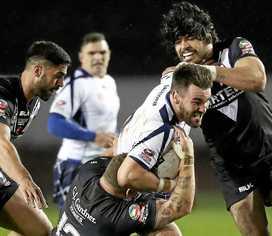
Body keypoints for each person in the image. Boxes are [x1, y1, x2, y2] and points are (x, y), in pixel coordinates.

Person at [160, 2, 272, 236]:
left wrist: (211, 73)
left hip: (270, 152)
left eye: (189, 37)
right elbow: (180, 119)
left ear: (206, 34)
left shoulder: (233, 49)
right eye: (178, 41)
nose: (183, 47)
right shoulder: (183, 77)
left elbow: (257, 78)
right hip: (232, 168)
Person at [114, 63, 213, 235]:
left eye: (206, 101)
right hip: (120, 194)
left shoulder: (171, 83)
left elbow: (169, 72)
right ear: (176, 97)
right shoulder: (161, 129)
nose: (203, 109)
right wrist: (171, 185)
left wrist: (187, 67)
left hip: (125, 166)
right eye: (197, 102)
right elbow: (127, 176)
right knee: (177, 211)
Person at [53, 126, 195, 236]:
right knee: (168, 233)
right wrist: (188, 157)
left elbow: (114, 155)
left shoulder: (88, 171)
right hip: (104, 223)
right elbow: (180, 207)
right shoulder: (116, 215)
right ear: (129, 192)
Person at [0, 41, 71, 235]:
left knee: (42, 232)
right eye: (59, 76)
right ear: (38, 70)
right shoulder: (3, 91)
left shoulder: (33, 104)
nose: (61, 83)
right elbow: (0, 142)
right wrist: (23, 179)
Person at [47, 32, 119, 211]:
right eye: (91, 53)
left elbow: (105, 124)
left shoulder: (109, 82)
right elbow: (54, 123)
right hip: (75, 165)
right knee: (72, 226)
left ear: (109, 54)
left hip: (101, 164)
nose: (97, 57)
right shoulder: (76, 84)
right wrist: (93, 136)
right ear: (81, 57)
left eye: (102, 52)